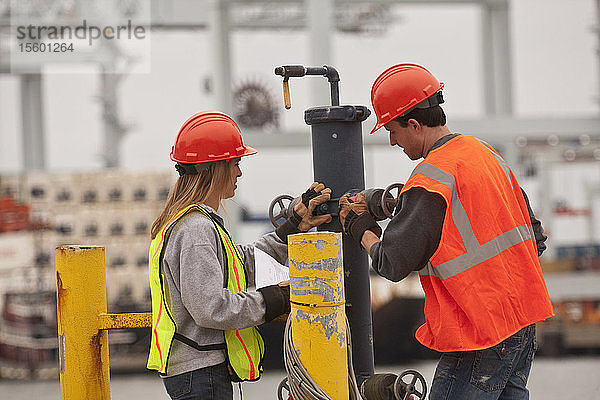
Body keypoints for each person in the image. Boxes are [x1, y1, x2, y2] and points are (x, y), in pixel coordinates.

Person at [339, 63, 554, 400]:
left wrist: (360, 227)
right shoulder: (485, 155)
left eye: (392, 131)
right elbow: (534, 238)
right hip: (523, 321)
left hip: (480, 330)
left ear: (414, 124)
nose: (393, 142)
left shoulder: (430, 179)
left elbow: (390, 264)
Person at [147, 111, 332, 400]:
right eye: (235, 163)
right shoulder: (196, 230)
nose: (239, 172)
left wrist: (292, 228)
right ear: (215, 168)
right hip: (201, 374)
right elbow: (210, 307)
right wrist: (274, 299)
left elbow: (242, 264)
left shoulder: (196, 223)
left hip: (198, 372)